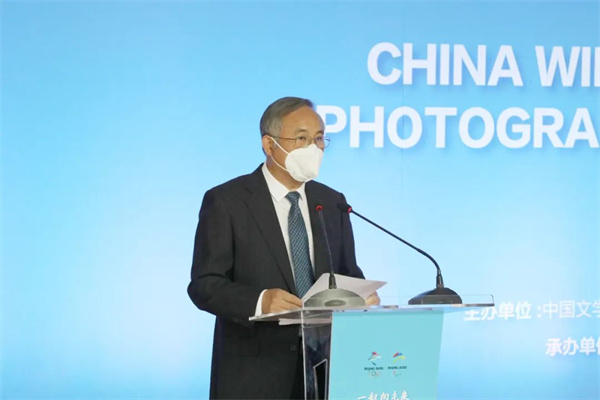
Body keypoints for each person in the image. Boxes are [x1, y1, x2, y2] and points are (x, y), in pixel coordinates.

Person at [187, 96, 379, 400]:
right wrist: (260, 301)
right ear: (269, 144)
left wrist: (359, 296)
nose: (313, 148)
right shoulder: (227, 201)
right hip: (253, 376)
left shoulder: (332, 202)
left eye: (319, 139)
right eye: (301, 138)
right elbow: (204, 285)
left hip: (324, 371)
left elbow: (347, 273)